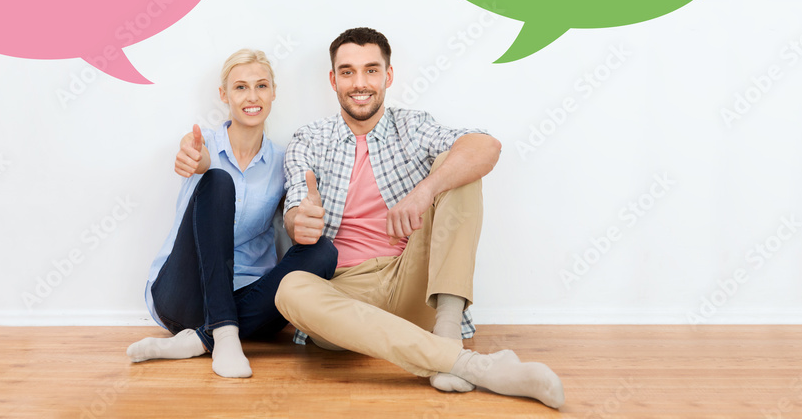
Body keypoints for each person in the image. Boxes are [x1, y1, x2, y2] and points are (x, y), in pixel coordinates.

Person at [274, 28, 565, 408]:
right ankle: (468, 364)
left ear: (388, 76)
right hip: (347, 294)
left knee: (457, 165)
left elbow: (486, 146)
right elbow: (297, 204)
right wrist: (299, 220)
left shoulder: (412, 126)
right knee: (290, 288)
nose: (359, 83)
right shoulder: (309, 139)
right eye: (347, 72)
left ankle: (447, 330)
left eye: (371, 70)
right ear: (333, 80)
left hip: (411, 278)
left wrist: (425, 190)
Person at [128, 49, 337, 378]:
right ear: (224, 95)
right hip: (183, 296)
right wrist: (195, 159)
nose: (252, 96)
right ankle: (224, 334)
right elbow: (194, 152)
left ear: (273, 92)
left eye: (261, 86)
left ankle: (201, 340)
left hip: (250, 298)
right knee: (219, 180)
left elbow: (294, 216)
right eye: (240, 87)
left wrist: (304, 218)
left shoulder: (284, 161)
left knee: (323, 252)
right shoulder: (204, 144)